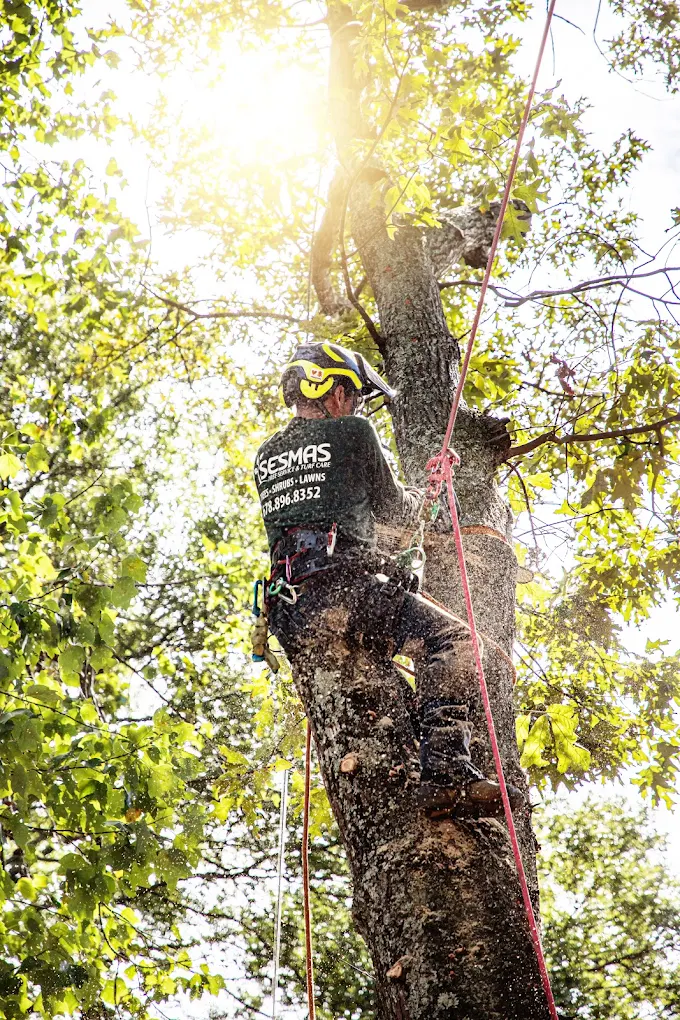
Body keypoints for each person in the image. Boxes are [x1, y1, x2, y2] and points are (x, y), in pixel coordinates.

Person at [254, 341, 522, 818]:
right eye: (352, 393)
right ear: (332, 390)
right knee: (455, 641)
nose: (355, 404)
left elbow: (334, 516)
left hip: (291, 612)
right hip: (346, 592)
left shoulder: (267, 454)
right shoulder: (354, 433)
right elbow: (397, 512)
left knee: (389, 684)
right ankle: (447, 772)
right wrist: (435, 494)